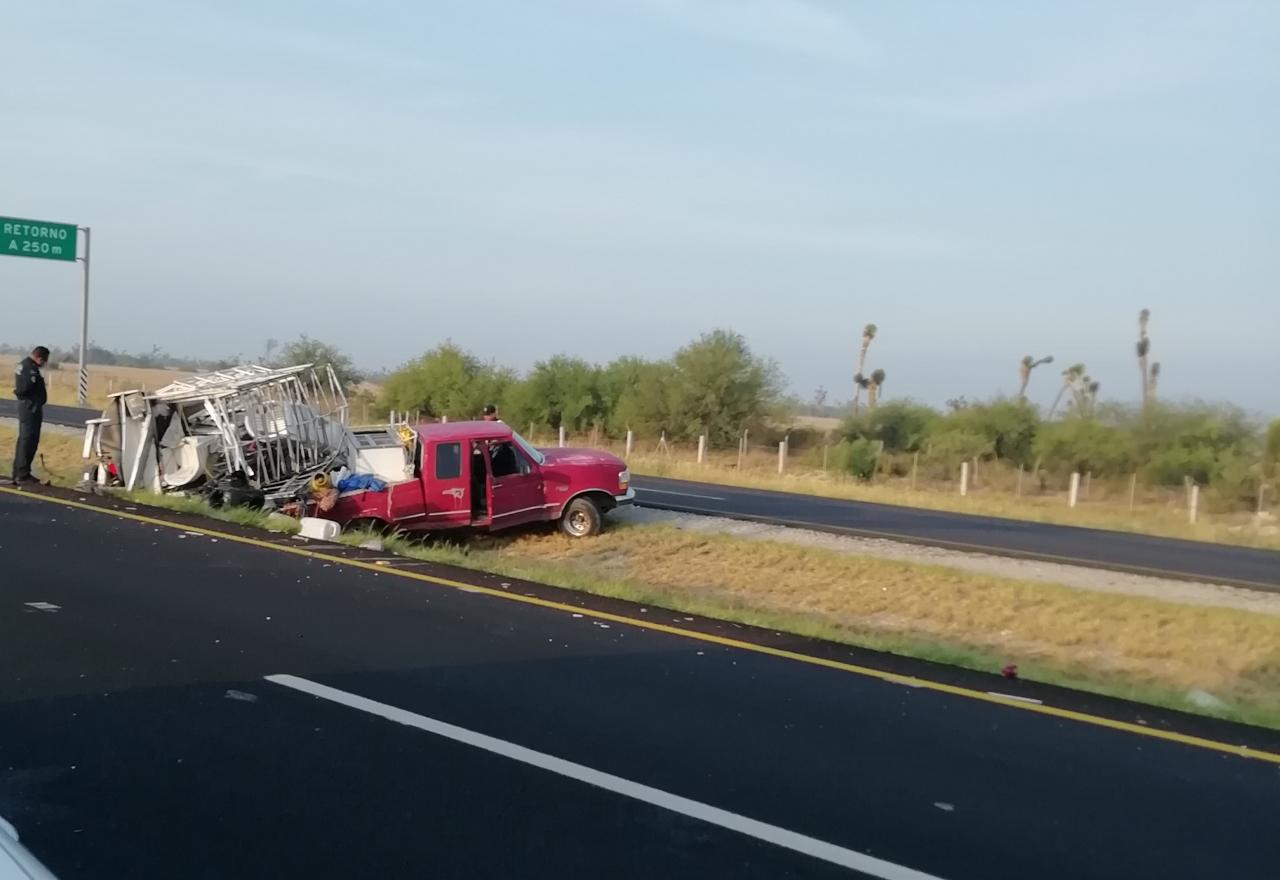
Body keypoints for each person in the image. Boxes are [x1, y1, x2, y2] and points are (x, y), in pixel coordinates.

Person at [11, 346, 50, 485]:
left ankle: (20, 471)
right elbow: (24, 388)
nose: (44, 363)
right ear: (40, 357)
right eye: (44, 360)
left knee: (25, 439)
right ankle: (22, 473)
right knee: (28, 440)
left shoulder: (25, 365)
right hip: (30, 407)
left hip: (29, 406)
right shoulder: (29, 368)